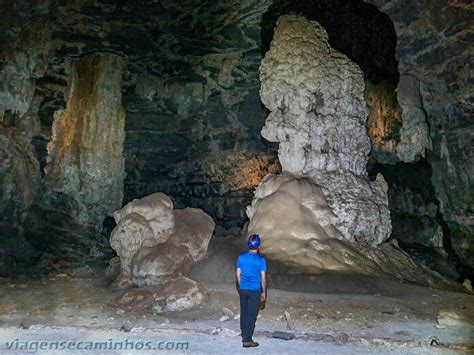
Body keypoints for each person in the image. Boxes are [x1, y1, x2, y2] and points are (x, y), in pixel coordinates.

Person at [236, 234, 267, 348]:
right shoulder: (261, 260)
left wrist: (241, 286)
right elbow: (263, 277)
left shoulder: (241, 257)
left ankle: (244, 333)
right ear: (258, 246)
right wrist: (264, 292)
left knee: (244, 312)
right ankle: (247, 340)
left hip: (243, 288)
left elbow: (238, 274)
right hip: (255, 289)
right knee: (251, 314)